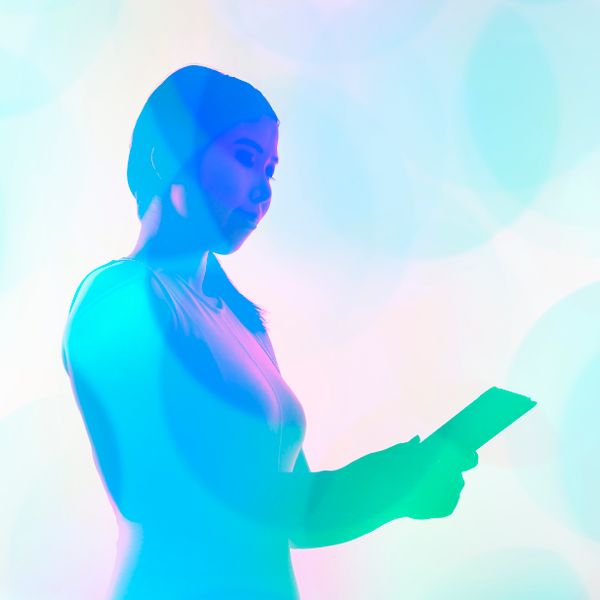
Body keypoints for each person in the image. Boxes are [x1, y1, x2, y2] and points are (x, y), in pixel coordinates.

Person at [61, 65, 478, 599]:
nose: (262, 189)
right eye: (244, 157)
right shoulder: (119, 302)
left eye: (271, 169)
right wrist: (384, 484)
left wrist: (401, 483)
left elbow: (299, 515)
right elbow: (173, 498)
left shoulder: (241, 320)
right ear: (165, 152)